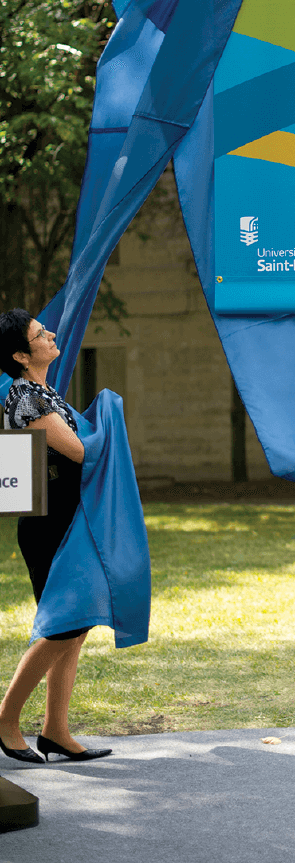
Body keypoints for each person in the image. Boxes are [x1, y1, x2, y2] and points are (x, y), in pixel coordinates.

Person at [0, 309, 111, 764]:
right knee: (63, 624)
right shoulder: (26, 397)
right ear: (21, 356)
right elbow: (80, 451)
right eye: (39, 334)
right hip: (46, 526)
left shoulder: (42, 391)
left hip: (61, 521)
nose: (50, 335)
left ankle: (56, 731)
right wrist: (112, 422)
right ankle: (6, 719)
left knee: (75, 627)